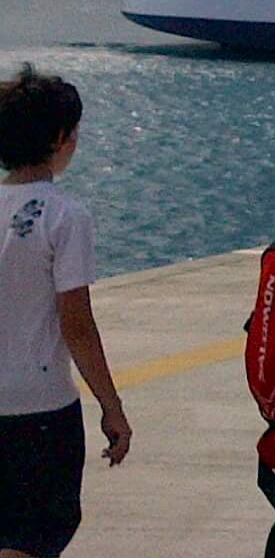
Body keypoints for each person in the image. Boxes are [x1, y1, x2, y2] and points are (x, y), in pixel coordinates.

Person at [0, 66, 129, 558]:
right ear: (59, 138)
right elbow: (77, 325)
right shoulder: (64, 215)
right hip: (39, 407)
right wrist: (112, 408)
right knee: (39, 531)